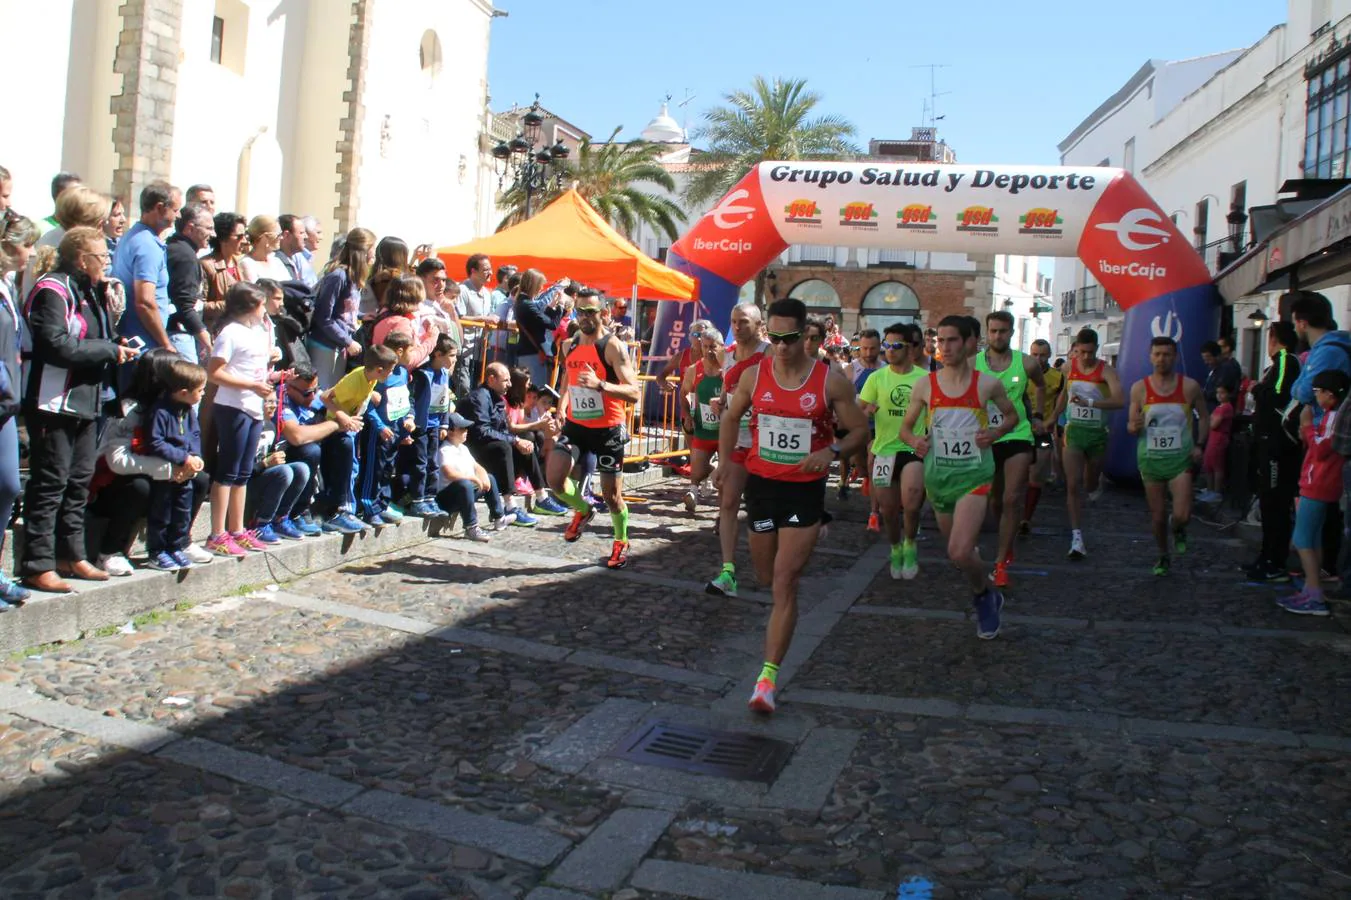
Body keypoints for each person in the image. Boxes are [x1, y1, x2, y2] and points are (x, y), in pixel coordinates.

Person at [717, 298, 869, 713]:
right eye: (775, 338)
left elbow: (859, 429)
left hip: (805, 488)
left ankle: (766, 680)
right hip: (763, 486)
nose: (781, 348)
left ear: (805, 336)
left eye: (790, 339)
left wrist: (833, 450)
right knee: (765, 576)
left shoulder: (829, 380)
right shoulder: (753, 376)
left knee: (785, 582)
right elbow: (730, 418)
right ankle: (804, 534)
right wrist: (726, 462)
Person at [20, 227, 139, 593]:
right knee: (50, 482)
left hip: (89, 399)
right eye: (101, 256)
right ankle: (37, 563)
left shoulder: (92, 290)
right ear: (81, 258)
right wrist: (108, 350)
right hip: (54, 401)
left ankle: (72, 555)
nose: (107, 262)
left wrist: (114, 342)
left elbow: (93, 337)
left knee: (78, 481)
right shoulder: (52, 290)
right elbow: (55, 344)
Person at [900, 315, 1020, 641]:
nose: (945, 347)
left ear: (969, 344)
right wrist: (916, 442)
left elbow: (1013, 416)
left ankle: (983, 598)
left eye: (952, 340)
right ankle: (988, 590)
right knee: (961, 554)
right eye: (940, 340)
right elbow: (906, 428)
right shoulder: (925, 384)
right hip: (939, 478)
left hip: (975, 476)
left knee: (959, 551)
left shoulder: (987, 384)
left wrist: (994, 433)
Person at [89, 349, 213, 574]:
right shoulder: (129, 409)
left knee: (201, 480)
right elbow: (116, 461)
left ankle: (179, 540)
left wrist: (192, 462)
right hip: (114, 483)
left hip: (165, 472)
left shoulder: (177, 408)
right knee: (140, 487)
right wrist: (167, 469)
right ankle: (110, 550)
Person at [548, 293, 642, 568]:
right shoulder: (570, 344)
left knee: (612, 496)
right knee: (554, 479)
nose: (586, 317)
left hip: (608, 429)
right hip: (578, 425)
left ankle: (621, 539)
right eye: (581, 311)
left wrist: (601, 384)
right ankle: (583, 508)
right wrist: (561, 406)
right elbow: (567, 376)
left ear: (604, 313)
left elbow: (634, 392)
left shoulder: (613, 347)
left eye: (591, 311)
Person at [204, 282, 280, 557]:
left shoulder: (257, 332)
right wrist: (250, 385)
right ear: (249, 307)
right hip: (233, 406)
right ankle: (217, 533)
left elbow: (255, 369)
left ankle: (237, 529)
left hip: (254, 407)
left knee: (243, 472)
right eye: (261, 304)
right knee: (227, 470)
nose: (265, 310)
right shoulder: (230, 333)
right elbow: (215, 373)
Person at [974, 310, 1045, 588]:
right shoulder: (975, 363)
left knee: (1012, 498)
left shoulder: (1026, 363)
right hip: (986, 437)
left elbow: (1041, 386)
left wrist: (1038, 415)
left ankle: (1001, 562)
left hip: (1017, 434)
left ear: (1012, 332)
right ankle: (1007, 539)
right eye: (993, 331)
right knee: (995, 500)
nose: (997, 336)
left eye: (1003, 331)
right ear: (987, 332)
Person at [1126, 337, 1207, 576]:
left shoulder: (1190, 387)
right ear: (1150, 356)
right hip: (1150, 460)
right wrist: (1134, 425)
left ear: (1176, 357)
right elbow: (1132, 425)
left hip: (1180, 460)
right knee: (1158, 517)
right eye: (1158, 354)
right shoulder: (1139, 388)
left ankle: (1179, 528)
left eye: (1167, 354)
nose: (1162, 359)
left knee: (1181, 514)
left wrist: (1200, 444)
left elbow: (1204, 416)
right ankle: (1163, 555)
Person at [705, 304, 768, 598]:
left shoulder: (769, 354)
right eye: (734, 322)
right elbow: (727, 392)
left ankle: (773, 562)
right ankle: (728, 571)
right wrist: (721, 403)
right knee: (728, 502)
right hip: (737, 440)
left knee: (763, 507)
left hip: (765, 443)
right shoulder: (727, 356)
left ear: (758, 324)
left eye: (744, 322)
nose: (738, 327)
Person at [1280, 369, 1351, 616]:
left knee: (1301, 539)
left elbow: (1322, 449)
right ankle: (1312, 587)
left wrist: (1307, 426)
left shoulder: (1334, 417)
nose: (1316, 397)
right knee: (1313, 538)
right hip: (1320, 483)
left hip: (1318, 484)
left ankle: (1314, 593)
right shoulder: (1333, 416)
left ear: (1330, 395)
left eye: (1318, 392)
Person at [860, 322, 927, 580]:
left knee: (910, 502)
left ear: (911, 348)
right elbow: (860, 407)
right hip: (884, 450)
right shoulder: (876, 377)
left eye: (896, 345)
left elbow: (935, 413)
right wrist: (866, 411)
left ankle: (910, 543)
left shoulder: (923, 378)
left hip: (912, 448)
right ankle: (896, 546)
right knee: (888, 510)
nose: (889, 350)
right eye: (886, 345)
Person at [1054, 328, 1122, 560]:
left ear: (1097, 348)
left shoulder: (1107, 371)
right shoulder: (1067, 367)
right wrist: (1054, 417)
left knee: (1089, 482)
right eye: (1081, 352)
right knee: (1073, 484)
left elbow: (1119, 401)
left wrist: (1090, 402)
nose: (1085, 357)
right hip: (1074, 432)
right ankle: (1076, 537)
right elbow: (1063, 394)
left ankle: (1095, 485)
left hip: (1097, 434)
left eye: (1090, 352)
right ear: (1076, 348)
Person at [0, 212, 38, 606]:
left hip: (8, 403)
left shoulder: (8, 285)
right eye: (26, 245)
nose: (30, 252)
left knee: (9, 486)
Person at [1247, 322, 1303, 582]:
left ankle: (1275, 560)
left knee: (1275, 504)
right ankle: (1266, 556)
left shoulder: (1284, 360)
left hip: (1277, 446)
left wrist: (1256, 388)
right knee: (1268, 503)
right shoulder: (1280, 363)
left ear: (1273, 339)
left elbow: (1279, 393)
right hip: (1267, 442)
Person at [321, 347, 398, 532]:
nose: (392, 374)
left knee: (353, 468)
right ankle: (339, 512)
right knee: (344, 469)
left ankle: (349, 512)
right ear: (379, 370)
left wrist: (371, 394)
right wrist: (344, 418)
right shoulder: (355, 381)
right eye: (391, 370)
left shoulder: (370, 377)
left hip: (351, 428)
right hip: (337, 430)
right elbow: (326, 397)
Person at [143, 358, 207, 570]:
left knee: (182, 510)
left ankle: (176, 545)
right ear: (183, 392)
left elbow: (195, 435)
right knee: (162, 511)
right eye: (200, 390)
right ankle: (157, 551)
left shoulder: (188, 411)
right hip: (166, 471)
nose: (203, 394)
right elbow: (155, 442)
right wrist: (181, 458)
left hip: (185, 471)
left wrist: (195, 457)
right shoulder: (161, 411)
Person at [458, 361, 538, 527]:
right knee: (504, 447)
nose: (509, 384)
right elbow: (482, 431)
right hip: (474, 449)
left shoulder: (497, 398)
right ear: (491, 379)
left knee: (527, 440)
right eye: (505, 380)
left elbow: (502, 429)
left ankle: (541, 495)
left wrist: (519, 441)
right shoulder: (480, 398)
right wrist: (514, 440)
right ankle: (509, 504)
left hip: (489, 445)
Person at [355, 331, 418, 525]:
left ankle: (382, 503)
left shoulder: (402, 373)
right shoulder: (380, 376)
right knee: (374, 468)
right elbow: (369, 407)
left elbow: (405, 401)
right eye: (412, 349)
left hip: (395, 430)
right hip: (378, 432)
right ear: (399, 351)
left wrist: (409, 419)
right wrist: (380, 426)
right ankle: (369, 507)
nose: (414, 354)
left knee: (387, 469)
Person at [112, 182, 181, 354]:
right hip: (143, 344)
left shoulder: (134, 237)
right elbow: (145, 302)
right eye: (175, 210)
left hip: (136, 339)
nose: (178, 216)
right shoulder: (147, 245)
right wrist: (166, 344)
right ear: (159, 208)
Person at [399, 333, 458, 517]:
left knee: (433, 463)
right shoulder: (422, 374)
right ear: (438, 354)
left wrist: (444, 424)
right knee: (420, 463)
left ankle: (430, 498)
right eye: (452, 355)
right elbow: (412, 398)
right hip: (421, 426)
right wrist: (410, 417)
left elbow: (445, 400)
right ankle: (417, 499)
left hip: (435, 426)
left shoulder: (444, 374)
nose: (455, 360)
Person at [308, 227, 374, 389]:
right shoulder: (338, 277)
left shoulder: (352, 277)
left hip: (339, 344)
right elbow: (324, 316)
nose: (374, 254)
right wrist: (348, 341)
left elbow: (343, 309)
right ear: (363, 251)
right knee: (324, 393)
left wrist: (360, 316)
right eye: (372, 248)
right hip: (325, 346)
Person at [245, 393, 313, 542]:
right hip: (245, 483)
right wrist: (265, 464)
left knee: (302, 468)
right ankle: (260, 523)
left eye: (275, 402)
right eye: (268, 402)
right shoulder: (247, 427)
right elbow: (239, 469)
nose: (274, 405)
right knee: (284, 472)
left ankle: (280, 518)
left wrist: (273, 459)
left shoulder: (270, 426)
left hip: (262, 477)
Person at [435, 411, 508, 540]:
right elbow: (449, 473)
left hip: (466, 493)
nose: (466, 431)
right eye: (462, 429)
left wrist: (483, 475)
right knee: (465, 484)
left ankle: (498, 517)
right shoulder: (445, 450)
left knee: (490, 478)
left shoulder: (463, 448)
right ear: (450, 432)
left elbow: (476, 466)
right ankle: (471, 527)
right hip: (448, 497)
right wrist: (473, 478)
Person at [679, 327, 725, 513]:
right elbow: (683, 393)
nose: (709, 351)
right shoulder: (694, 370)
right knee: (697, 470)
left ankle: (723, 514)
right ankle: (693, 493)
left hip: (726, 430)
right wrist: (688, 415)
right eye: (705, 347)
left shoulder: (730, 369)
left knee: (725, 477)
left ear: (722, 347)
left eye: (713, 347)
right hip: (703, 428)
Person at [1020, 338, 1064, 535]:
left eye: (1043, 355)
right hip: (1019, 430)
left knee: (1036, 476)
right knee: (1017, 476)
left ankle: (1026, 518)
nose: (1038, 358)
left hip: (1043, 432)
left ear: (1049, 355)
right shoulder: (1020, 373)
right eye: (1035, 354)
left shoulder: (1058, 377)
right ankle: (1013, 511)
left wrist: (1052, 421)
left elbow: (1061, 403)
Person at [165, 203, 213, 363]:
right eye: (208, 228)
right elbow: (185, 304)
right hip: (179, 334)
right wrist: (207, 341)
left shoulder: (178, 248)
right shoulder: (185, 256)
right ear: (190, 228)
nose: (212, 234)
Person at [513, 271, 571, 389]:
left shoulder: (523, 302)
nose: (541, 288)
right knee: (535, 392)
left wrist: (552, 306)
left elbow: (541, 321)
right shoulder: (527, 304)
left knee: (533, 392)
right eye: (540, 285)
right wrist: (560, 305)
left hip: (530, 352)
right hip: (532, 354)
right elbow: (552, 324)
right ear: (533, 285)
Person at [371, 275, 442, 368]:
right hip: (395, 378)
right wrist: (431, 340)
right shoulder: (401, 323)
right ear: (415, 297)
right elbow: (407, 360)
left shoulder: (383, 312)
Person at [199, 211, 246, 335]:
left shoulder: (240, 264)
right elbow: (198, 306)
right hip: (215, 332)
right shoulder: (206, 265)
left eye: (245, 235)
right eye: (239, 237)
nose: (245, 240)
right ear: (223, 238)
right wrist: (232, 305)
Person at [1200, 384, 1235, 504]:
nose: (1219, 395)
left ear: (1229, 394)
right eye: (1217, 393)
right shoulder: (1218, 407)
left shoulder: (1226, 408)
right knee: (1208, 463)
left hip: (1219, 438)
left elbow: (1213, 424)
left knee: (1217, 465)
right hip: (1213, 438)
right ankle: (1210, 490)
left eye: (1222, 393)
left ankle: (1216, 492)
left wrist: (1208, 421)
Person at [238, 215, 290, 284]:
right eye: (278, 234)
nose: (281, 238)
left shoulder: (276, 261)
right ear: (265, 238)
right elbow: (255, 292)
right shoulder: (247, 264)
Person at [274, 214, 307, 282]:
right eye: (301, 233)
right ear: (286, 235)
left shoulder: (293, 260)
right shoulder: (276, 263)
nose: (306, 237)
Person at [295, 215, 321, 287]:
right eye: (318, 233)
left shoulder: (308, 258)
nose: (321, 237)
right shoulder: (297, 257)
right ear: (306, 234)